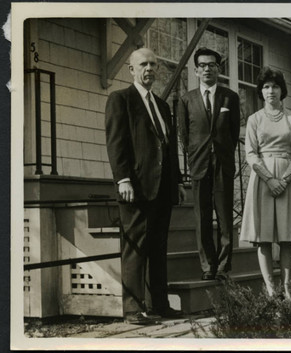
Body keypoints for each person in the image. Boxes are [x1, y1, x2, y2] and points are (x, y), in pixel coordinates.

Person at [105, 48, 186, 325]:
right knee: (135, 247)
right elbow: (117, 143)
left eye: (153, 64)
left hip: (162, 188)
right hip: (136, 187)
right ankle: (132, 309)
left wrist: (177, 181)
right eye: (143, 64)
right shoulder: (121, 100)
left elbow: (168, 147)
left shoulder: (161, 106)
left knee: (158, 247)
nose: (149, 68)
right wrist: (123, 179)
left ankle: (159, 305)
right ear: (131, 69)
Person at [240, 67, 291, 299]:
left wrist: (284, 179)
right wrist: (269, 179)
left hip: (286, 179)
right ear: (261, 91)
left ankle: (288, 288)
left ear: (282, 90)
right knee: (264, 238)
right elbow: (251, 153)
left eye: (275, 86)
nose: (271, 91)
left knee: (287, 237)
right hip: (262, 181)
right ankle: (271, 290)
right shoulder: (254, 119)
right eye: (266, 87)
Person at [177, 47, 240, 281]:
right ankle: (207, 267)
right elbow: (184, 135)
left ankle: (223, 266)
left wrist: (221, 153)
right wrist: (197, 156)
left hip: (223, 163)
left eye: (211, 65)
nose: (207, 69)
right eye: (202, 65)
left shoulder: (230, 97)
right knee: (202, 217)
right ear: (196, 70)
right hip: (199, 164)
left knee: (224, 216)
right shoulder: (186, 100)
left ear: (218, 69)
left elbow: (233, 133)